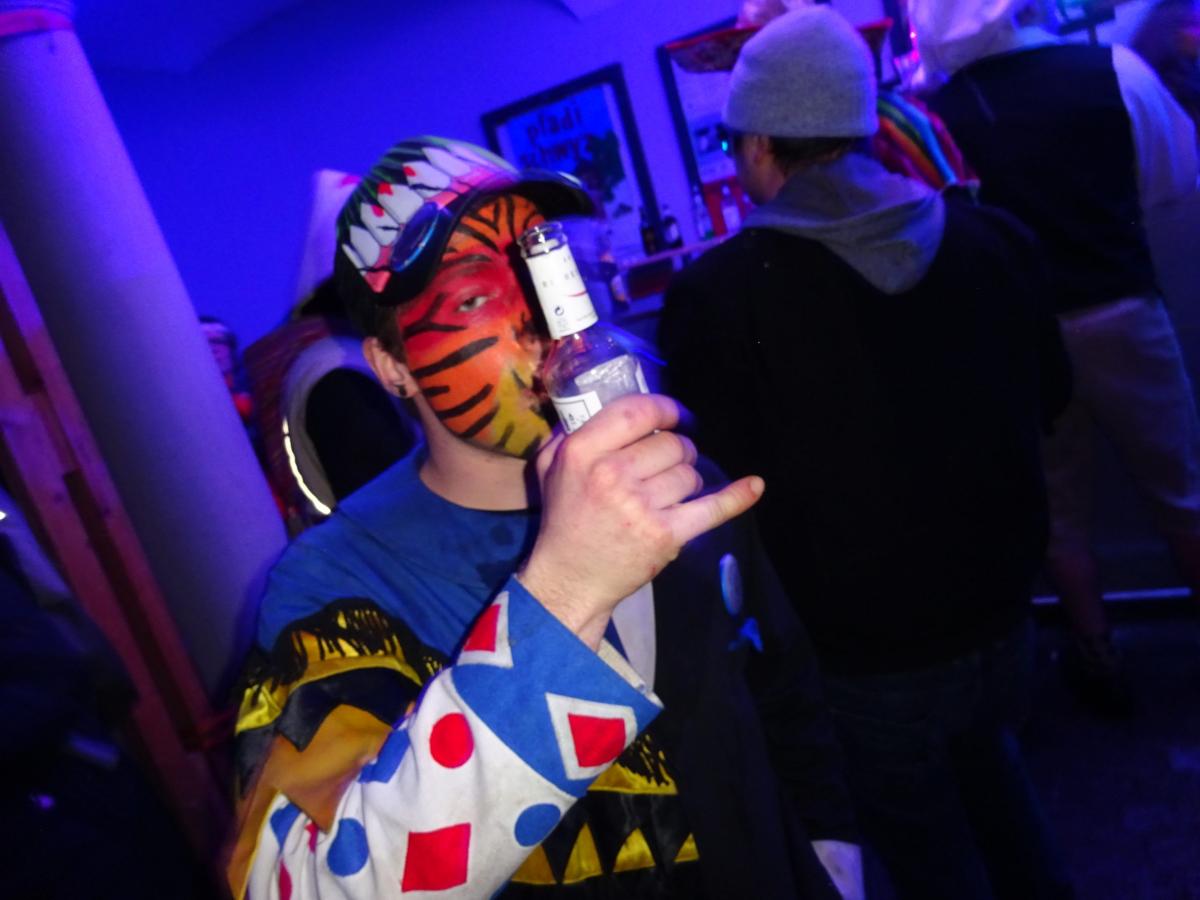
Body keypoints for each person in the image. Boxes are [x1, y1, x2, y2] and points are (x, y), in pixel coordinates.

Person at [226, 136, 862, 900]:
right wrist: (562, 596)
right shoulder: (339, 587)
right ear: (393, 366)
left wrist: (831, 855)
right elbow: (300, 885)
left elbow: (781, 684)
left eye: (541, 269)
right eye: (471, 299)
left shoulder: (673, 470)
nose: (541, 321)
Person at [658, 8, 1072, 899]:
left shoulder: (718, 300)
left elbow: (720, 494)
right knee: (1002, 787)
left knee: (927, 855)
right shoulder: (993, 238)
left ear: (759, 142)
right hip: (1008, 613)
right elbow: (1051, 399)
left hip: (864, 653)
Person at [908, 0, 1200, 713]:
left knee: (1060, 511)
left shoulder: (934, 118)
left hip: (1021, 335)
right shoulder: (1113, 69)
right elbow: (1173, 177)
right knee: (1183, 488)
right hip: (1121, 307)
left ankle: (1098, 655)